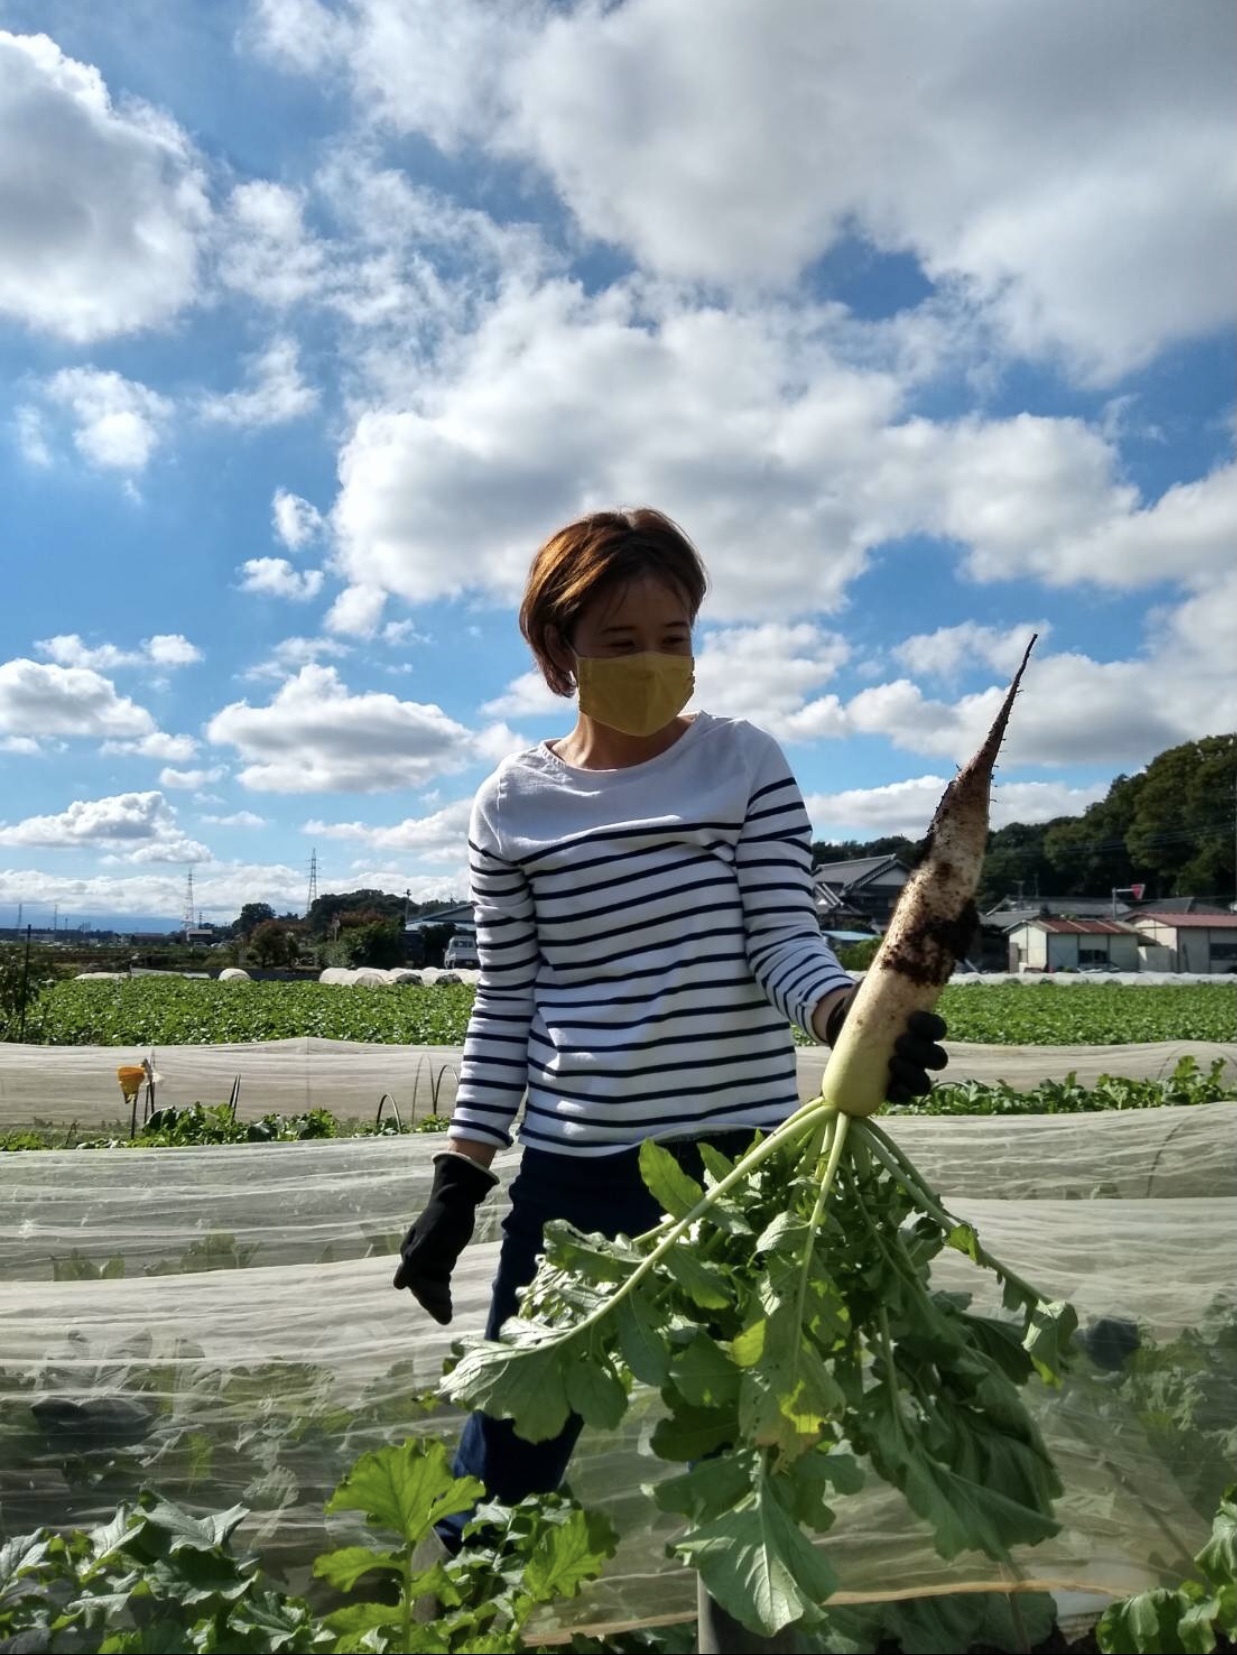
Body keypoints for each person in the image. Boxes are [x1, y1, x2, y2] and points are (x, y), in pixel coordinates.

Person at [394, 507, 947, 1562]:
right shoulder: (512, 804)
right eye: (620, 642)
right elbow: (505, 999)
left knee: (746, 1459)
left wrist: (847, 1018)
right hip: (572, 1179)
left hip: (734, 1173)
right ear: (559, 652)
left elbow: (780, 938)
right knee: (514, 1444)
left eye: (674, 637)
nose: (653, 662)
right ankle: (468, 1619)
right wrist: (458, 1176)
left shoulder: (742, 764)